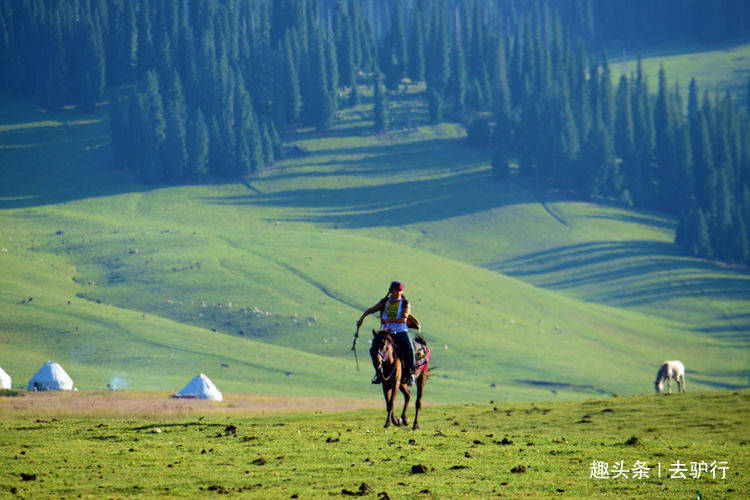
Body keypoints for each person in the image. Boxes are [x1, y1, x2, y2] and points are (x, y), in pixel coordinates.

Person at [356, 281, 416, 386]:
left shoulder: (405, 303)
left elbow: (403, 319)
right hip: (386, 332)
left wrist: (387, 321)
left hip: (401, 331)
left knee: (410, 349)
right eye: (397, 290)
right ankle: (379, 373)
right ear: (392, 291)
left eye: (401, 291)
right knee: (374, 350)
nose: (399, 292)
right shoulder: (385, 302)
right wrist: (362, 318)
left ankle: (411, 374)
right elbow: (371, 310)